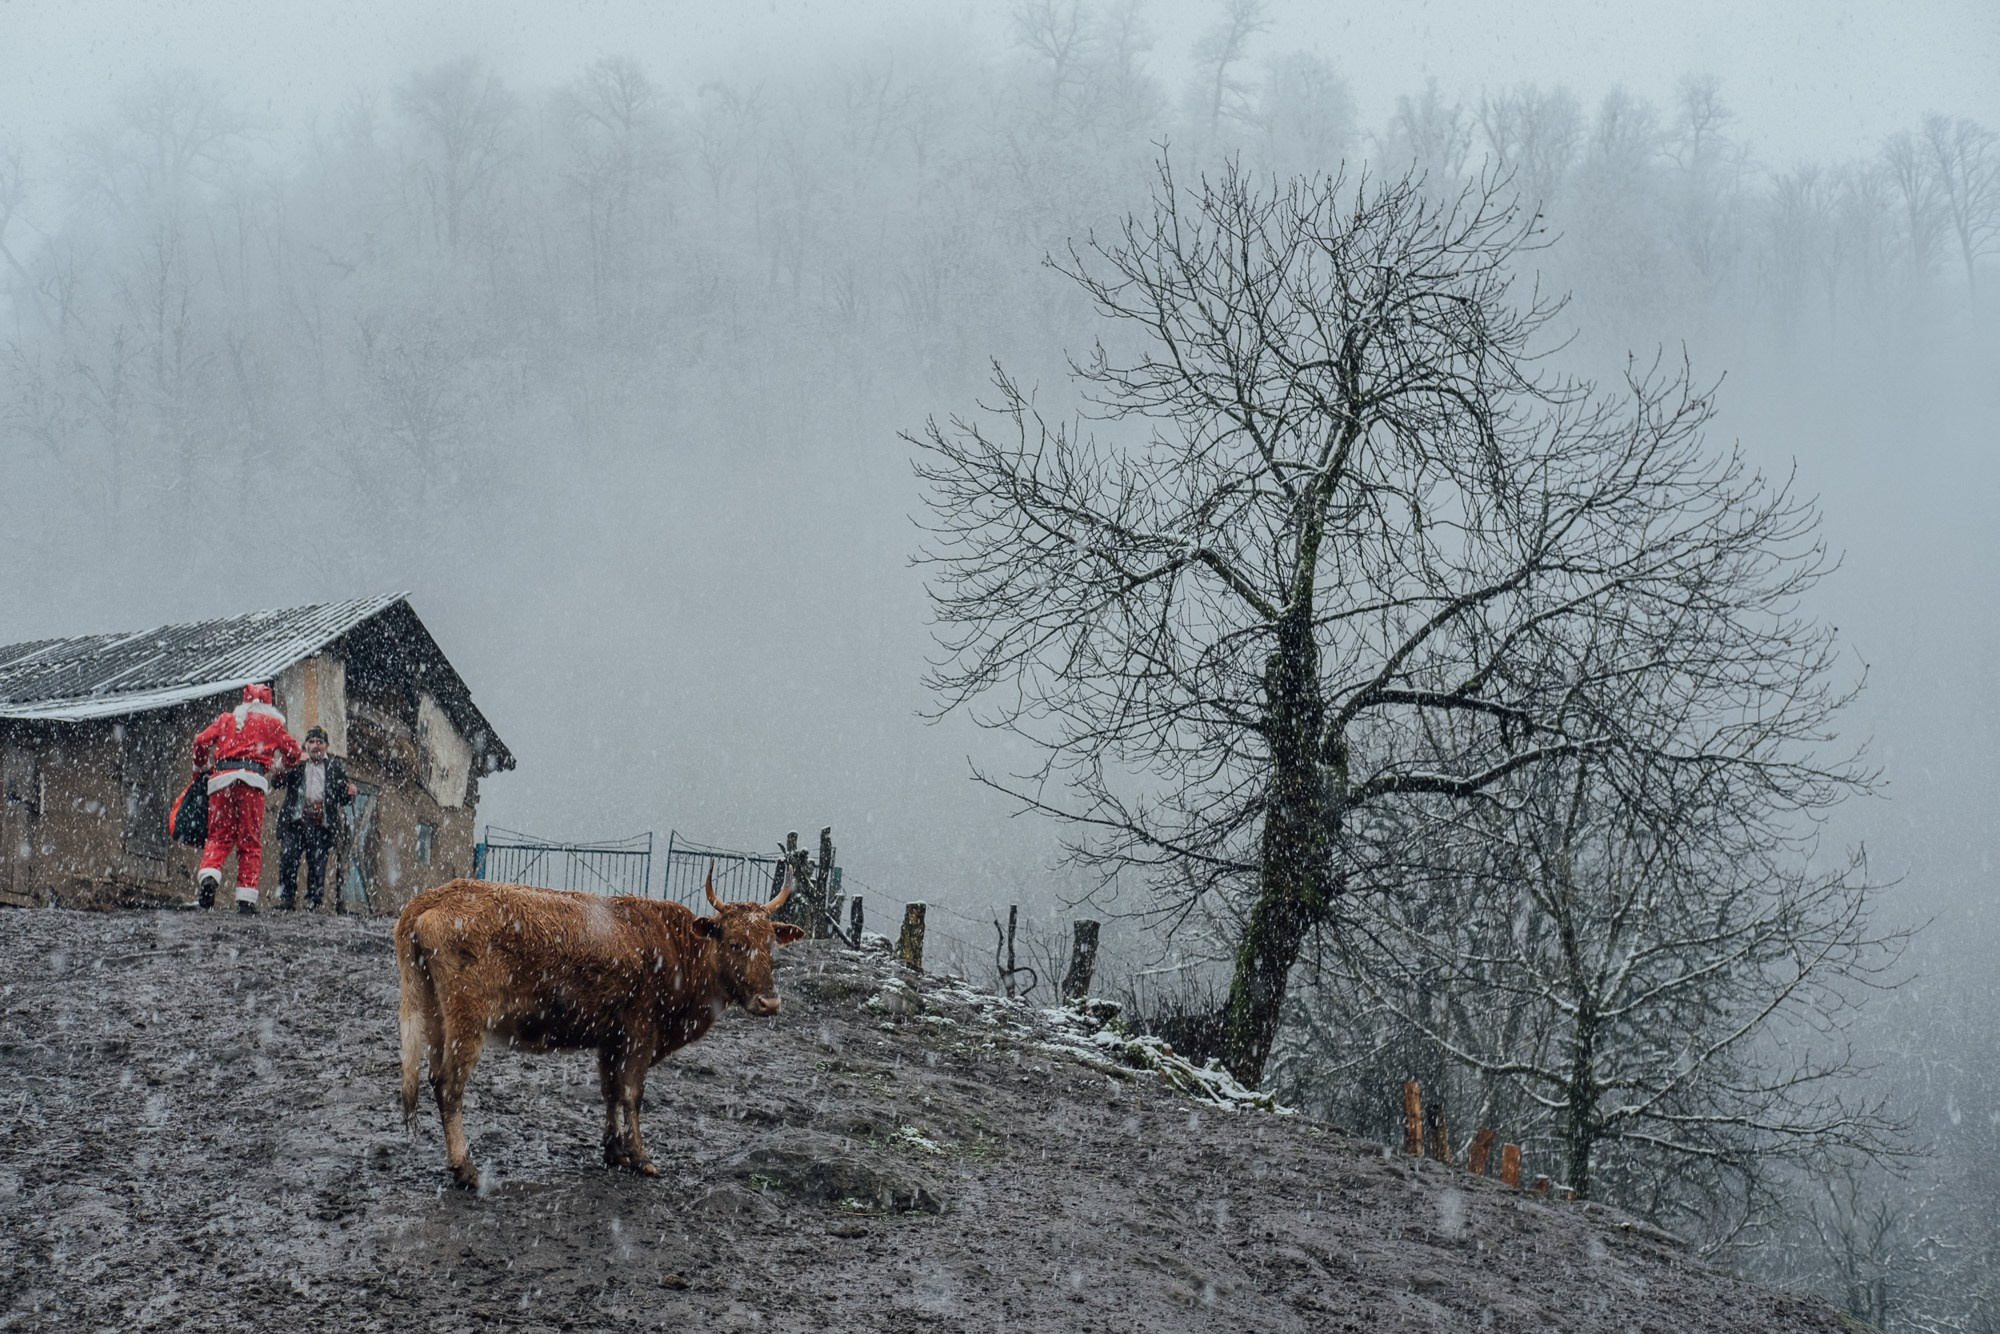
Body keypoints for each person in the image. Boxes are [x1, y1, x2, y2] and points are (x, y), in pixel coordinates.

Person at [190, 683, 302, 914]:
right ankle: (245, 898)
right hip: (252, 783)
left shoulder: (226, 719)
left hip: (222, 781)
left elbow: (200, 740)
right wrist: (279, 767)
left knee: (218, 836)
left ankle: (210, 876)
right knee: (249, 841)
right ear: (269, 705)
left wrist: (202, 765)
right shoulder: (272, 724)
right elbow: (294, 752)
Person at [272, 725, 356, 913]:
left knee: (317, 864)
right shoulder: (297, 762)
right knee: (288, 858)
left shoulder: (335, 768)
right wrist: (281, 768)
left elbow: (342, 798)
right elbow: (277, 783)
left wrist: (350, 793)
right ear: (305, 744)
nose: (315, 745)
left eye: (320, 742)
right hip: (296, 822)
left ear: (326, 746)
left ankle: (314, 902)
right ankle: (287, 899)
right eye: (311, 741)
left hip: (321, 825)